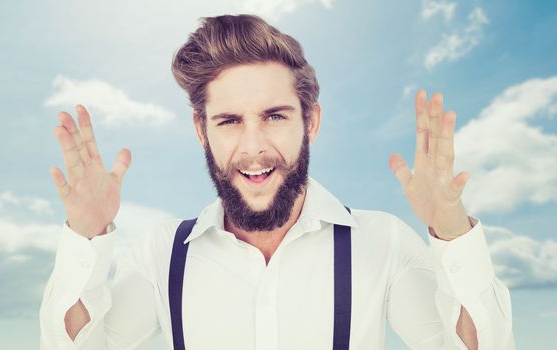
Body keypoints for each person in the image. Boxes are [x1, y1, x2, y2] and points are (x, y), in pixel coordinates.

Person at [39, 14, 515, 350]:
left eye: (274, 116)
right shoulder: (164, 254)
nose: (253, 147)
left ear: (311, 122)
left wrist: (452, 232)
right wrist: (86, 235)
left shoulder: (380, 244)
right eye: (228, 121)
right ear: (201, 131)